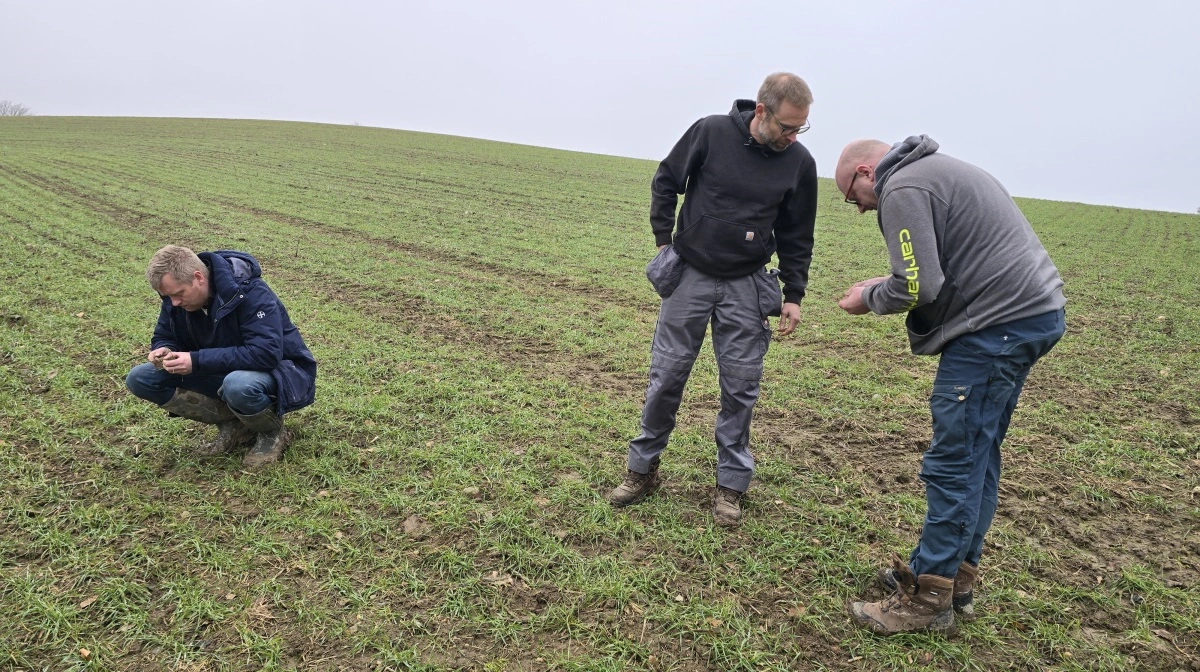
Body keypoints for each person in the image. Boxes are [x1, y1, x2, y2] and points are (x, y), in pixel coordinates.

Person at [834, 135, 1066, 634]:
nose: (858, 209)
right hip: (1031, 316)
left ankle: (928, 598)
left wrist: (870, 297)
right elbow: (934, 266)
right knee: (978, 452)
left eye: (853, 198)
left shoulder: (903, 187)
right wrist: (888, 281)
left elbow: (918, 285)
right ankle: (954, 577)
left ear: (866, 172)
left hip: (997, 327)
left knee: (955, 459)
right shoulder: (937, 170)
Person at [607, 72, 818, 527]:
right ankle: (641, 470)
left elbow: (798, 234)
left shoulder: (798, 162)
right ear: (761, 111)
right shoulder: (710, 131)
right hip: (691, 276)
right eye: (786, 126)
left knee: (741, 387)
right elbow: (666, 181)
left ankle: (730, 486)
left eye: (800, 128)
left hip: (747, 284)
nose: (792, 136)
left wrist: (794, 295)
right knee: (667, 375)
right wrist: (664, 241)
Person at [126, 245, 317, 468]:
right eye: (168, 297)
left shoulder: (252, 293)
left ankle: (271, 432)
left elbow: (265, 354)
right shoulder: (176, 299)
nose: (174, 303)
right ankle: (234, 425)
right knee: (141, 378)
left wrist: (196, 361)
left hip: (279, 371)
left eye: (178, 294)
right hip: (221, 369)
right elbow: (165, 333)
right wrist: (164, 348)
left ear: (198, 277)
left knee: (237, 385)